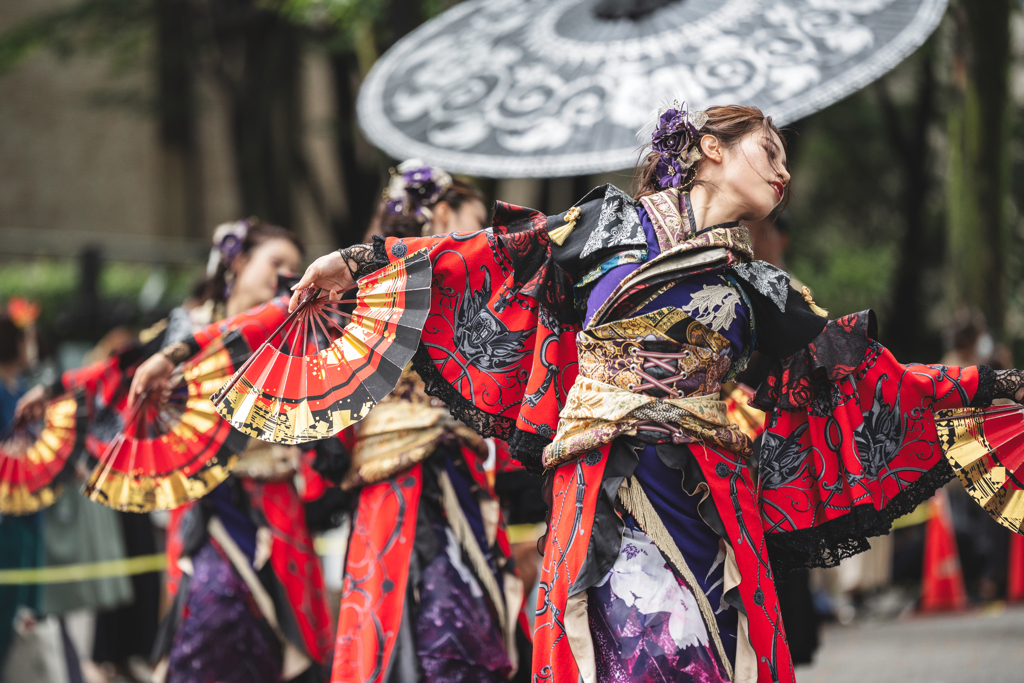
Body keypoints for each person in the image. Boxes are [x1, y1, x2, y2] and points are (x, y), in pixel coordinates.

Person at [131, 104, 1024, 683]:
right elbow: (463, 263)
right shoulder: (604, 225)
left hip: (701, 509)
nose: (784, 173)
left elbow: (877, 377)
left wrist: (989, 391)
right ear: (711, 147)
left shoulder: (765, 292)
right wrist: (352, 264)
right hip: (598, 504)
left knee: (692, 659)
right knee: (620, 651)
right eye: (770, 150)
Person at [18, 220, 334, 683]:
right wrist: (53, 388)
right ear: (238, 262)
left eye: (293, 266)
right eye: (276, 262)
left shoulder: (296, 328)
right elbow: (121, 365)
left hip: (273, 503)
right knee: (209, 609)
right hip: (204, 503)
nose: (285, 273)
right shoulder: (186, 327)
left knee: (281, 633)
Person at [315, 162, 533, 682]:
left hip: (450, 479)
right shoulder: (366, 294)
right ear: (440, 215)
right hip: (398, 485)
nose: (480, 236)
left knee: (453, 621)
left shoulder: (371, 295)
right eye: (474, 221)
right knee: (433, 621)